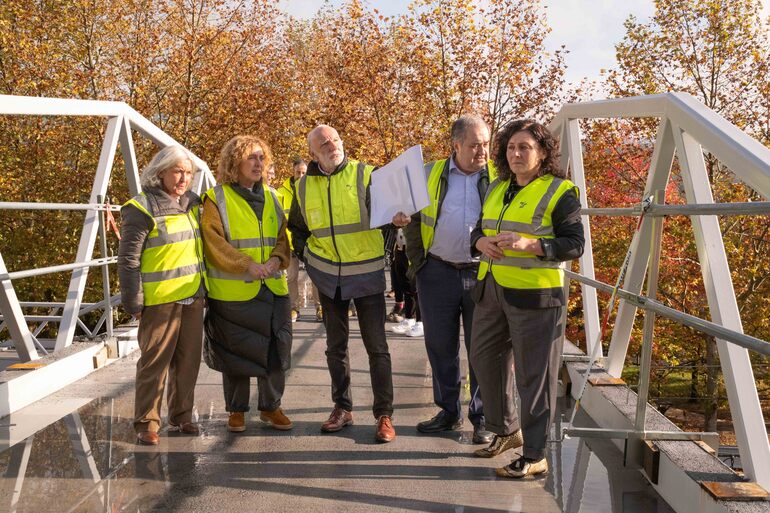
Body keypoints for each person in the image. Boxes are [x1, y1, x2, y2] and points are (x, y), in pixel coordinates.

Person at [470, 119, 584, 478]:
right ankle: (506, 430)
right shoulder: (497, 187)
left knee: (534, 378)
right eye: (510, 148)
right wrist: (480, 243)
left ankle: (535, 455)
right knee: (483, 360)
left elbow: (574, 243)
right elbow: (479, 228)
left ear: (543, 152)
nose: (516, 154)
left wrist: (532, 245)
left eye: (525, 147)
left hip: (535, 297)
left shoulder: (560, 190)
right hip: (491, 289)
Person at [288, 124, 409, 443]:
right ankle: (342, 408)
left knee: (377, 348)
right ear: (313, 153)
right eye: (324, 144)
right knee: (335, 347)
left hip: (367, 274)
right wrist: (310, 259)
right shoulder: (302, 187)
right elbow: (297, 230)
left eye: (335, 140)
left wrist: (396, 222)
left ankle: (384, 415)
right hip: (328, 276)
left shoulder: (367, 175)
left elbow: (389, 217)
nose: (332, 146)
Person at [404, 114, 495, 444]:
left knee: (481, 348)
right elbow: (412, 221)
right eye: (474, 145)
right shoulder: (430, 173)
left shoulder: (499, 178)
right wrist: (419, 265)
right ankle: (448, 411)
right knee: (440, 345)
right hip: (437, 271)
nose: (482, 151)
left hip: (481, 272)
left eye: (486, 144)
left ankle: (482, 417)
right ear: (455, 146)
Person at [201, 135, 293, 433]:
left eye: (261, 158)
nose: (258, 164)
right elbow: (213, 243)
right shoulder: (217, 198)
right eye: (251, 158)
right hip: (234, 289)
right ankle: (237, 410)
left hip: (272, 285)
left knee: (276, 348)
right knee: (235, 350)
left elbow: (282, 238)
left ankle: (271, 406)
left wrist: (277, 260)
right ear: (233, 163)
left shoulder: (274, 196)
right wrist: (247, 265)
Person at [117, 145, 206, 446]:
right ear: (160, 172)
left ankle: (182, 416)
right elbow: (128, 260)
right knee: (154, 363)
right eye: (177, 171)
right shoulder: (141, 207)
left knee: (188, 361)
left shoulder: (193, 204)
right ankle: (147, 422)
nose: (183, 178)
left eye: (189, 173)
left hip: (192, 296)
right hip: (160, 300)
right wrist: (134, 302)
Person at [276, 158, 321, 322]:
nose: (301, 175)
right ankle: (294, 308)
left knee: (316, 276)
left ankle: (320, 307)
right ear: (292, 172)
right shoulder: (281, 192)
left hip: (311, 241)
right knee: (291, 277)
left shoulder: (314, 189)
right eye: (298, 172)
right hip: (289, 242)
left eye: (304, 172)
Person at [389, 227, 422, 337]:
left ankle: (421, 322)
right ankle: (409, 318)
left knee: (416, 287)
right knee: (406, 286)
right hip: (400, 246)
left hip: (414, 246)